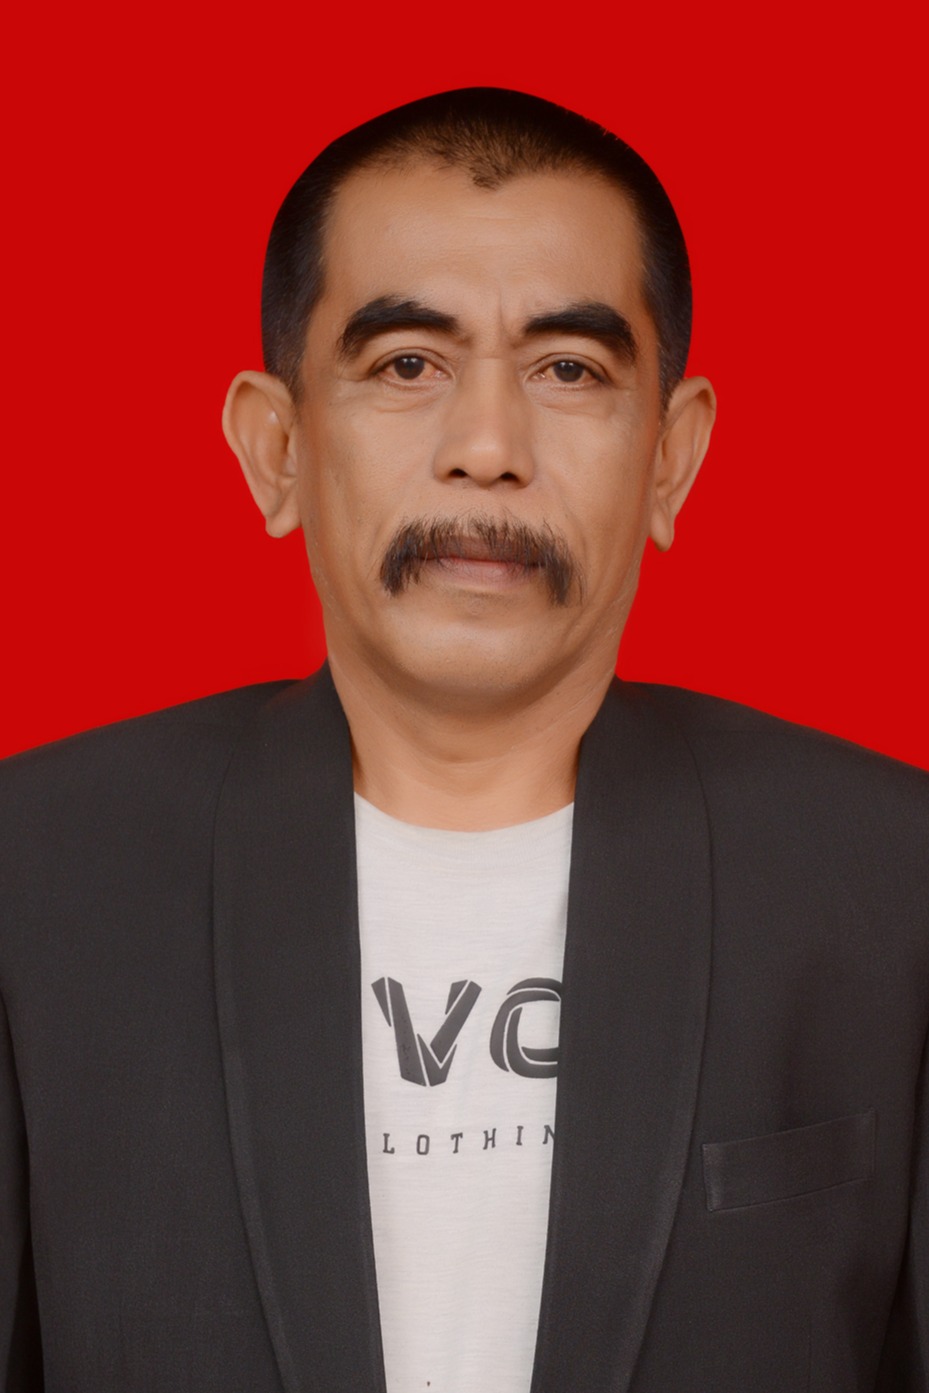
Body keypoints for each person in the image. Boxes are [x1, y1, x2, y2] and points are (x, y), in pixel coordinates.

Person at [1, 87, 926, 1393]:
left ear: (669, 458)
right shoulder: (36, 875)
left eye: (568, 370)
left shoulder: (891, 880)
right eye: (405, 364)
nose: (488, 448)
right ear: (277, 448)